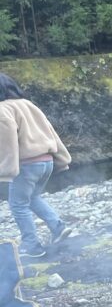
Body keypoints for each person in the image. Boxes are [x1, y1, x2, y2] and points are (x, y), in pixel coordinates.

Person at [0, 73, 72, 259]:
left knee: (17, 204)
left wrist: (6, 170)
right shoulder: (27, 104)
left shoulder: (2, 110)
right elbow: (49, 130)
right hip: (46, 161)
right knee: (32, 197)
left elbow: (7, 140)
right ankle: (58, 227)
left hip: (26, 165)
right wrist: (62, 158)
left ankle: (32, 246)